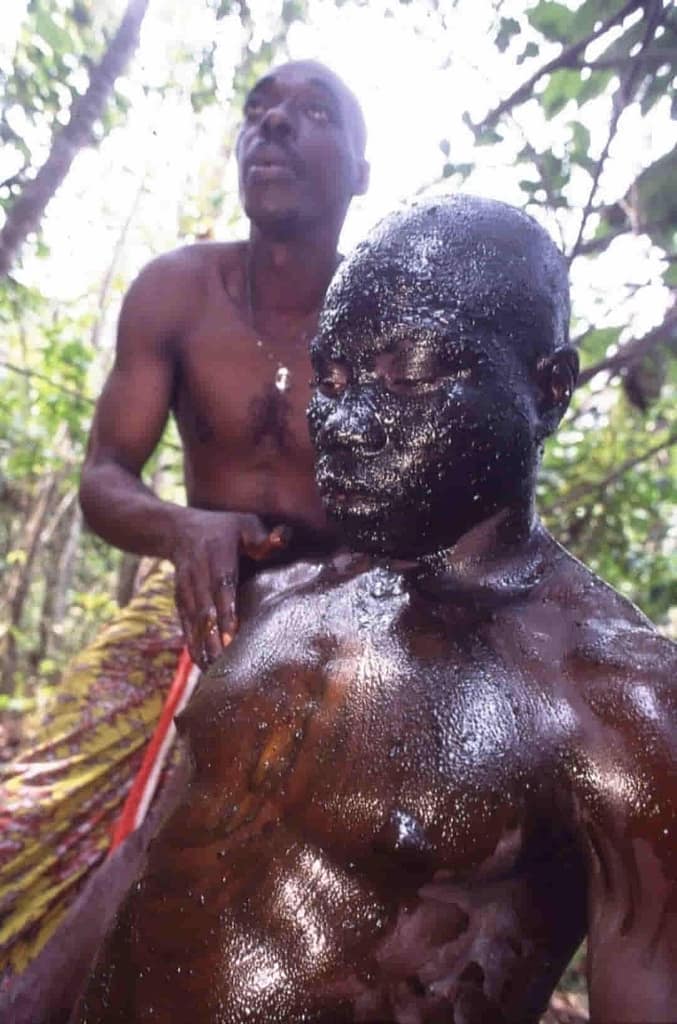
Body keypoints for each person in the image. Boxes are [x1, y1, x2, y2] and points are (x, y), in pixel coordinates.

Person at [77, 195, 676, 1024]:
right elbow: (155, 860)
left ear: (548, 389)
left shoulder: (618, 705)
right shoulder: (284, 601)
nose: (346, 423)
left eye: (408, 375)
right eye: (333, 378)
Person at [0, 58, 368, 992]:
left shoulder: (387, 322)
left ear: (361, 169)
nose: (273, 127)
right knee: (32, 842)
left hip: (340, 637)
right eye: (258, 111)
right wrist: (181, 527)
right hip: (189, 611)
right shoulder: (177, 292)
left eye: (311, 112)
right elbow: (102, 478)